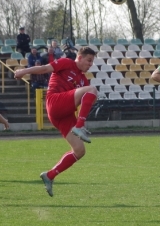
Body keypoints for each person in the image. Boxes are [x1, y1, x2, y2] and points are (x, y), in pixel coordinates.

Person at [14, 47, 97, 197]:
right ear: (79, 57)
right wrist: (23, 71)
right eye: (89, 60)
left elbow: (80, 99)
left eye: (92, 61)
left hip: (63, 114)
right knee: (92, 90)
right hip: (55, 102)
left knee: (79, 151)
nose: (91, 64)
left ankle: (50, 175)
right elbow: (44, 68)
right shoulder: (66, 62)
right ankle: (79, 127)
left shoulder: (83, 79)